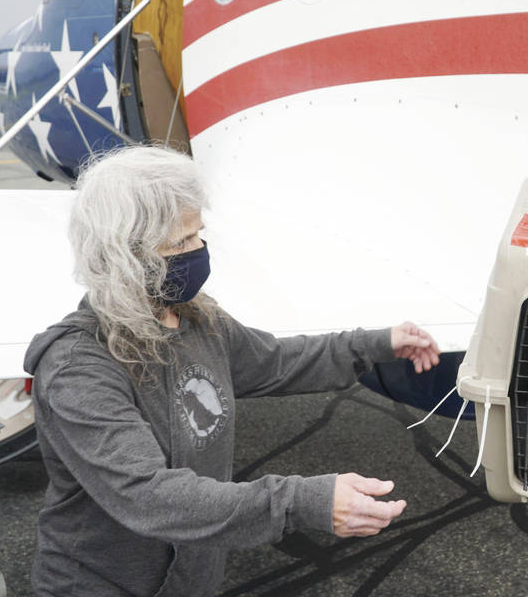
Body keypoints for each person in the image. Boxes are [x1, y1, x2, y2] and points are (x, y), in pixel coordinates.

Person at [23, 145, 441, 596]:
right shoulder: (77, 368)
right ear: (127, 256)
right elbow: (147, 494)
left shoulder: (195, 318)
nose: (199, 250)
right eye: (180, 243)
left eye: (198, 234)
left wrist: (376, 344)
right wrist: (302, 502)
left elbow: (278, 362)